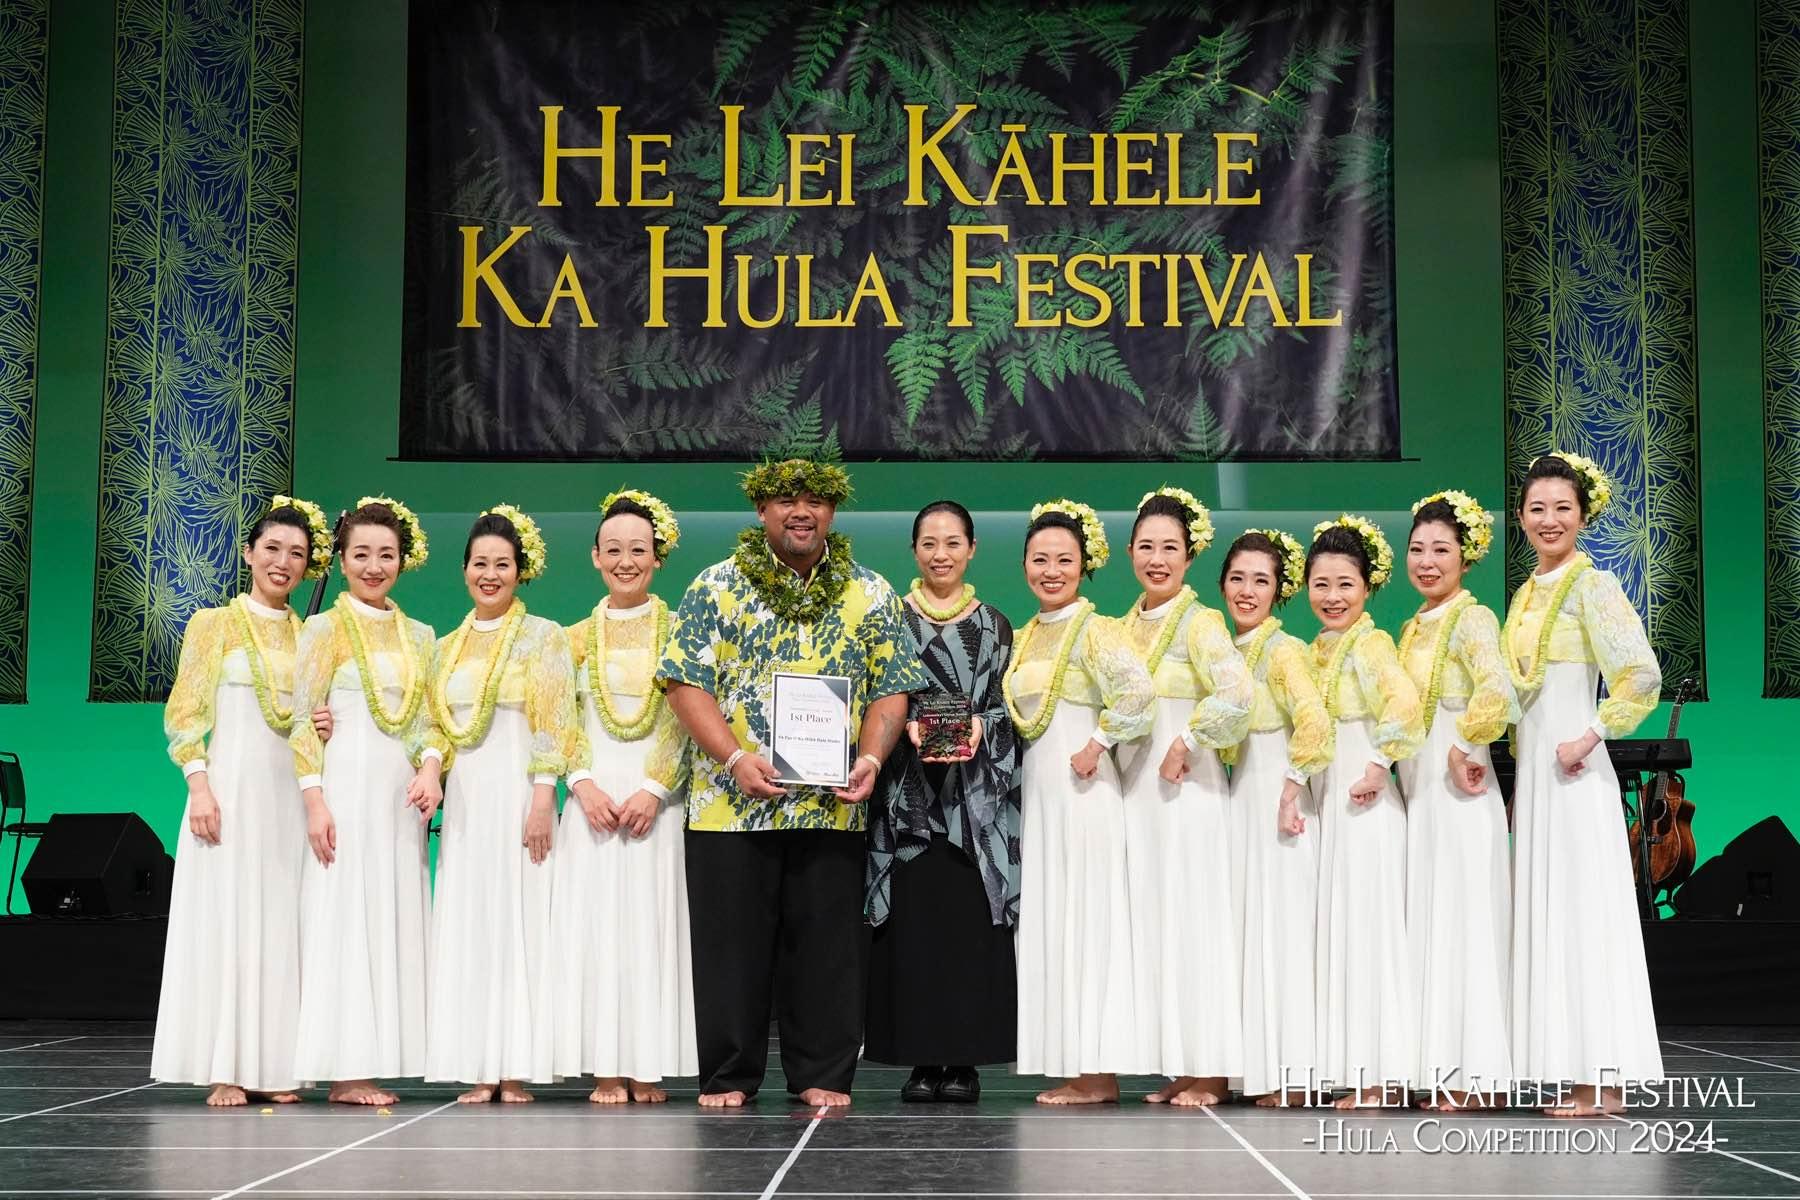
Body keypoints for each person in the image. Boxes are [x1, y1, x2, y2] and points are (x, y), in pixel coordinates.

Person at [658, 459, 928, 1108]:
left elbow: (893, 690)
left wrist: (869, 757)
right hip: (731, 806)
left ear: (832, 512)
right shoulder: (714, 588)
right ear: (761, 510)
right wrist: (731, 759)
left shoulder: (870, 591)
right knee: (731, 950)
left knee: (829, 949)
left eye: (814, 501)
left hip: (832, 806)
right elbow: (683, 683)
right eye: (785, 501)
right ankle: (728, 1076)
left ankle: (823, 1074)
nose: (800, 511)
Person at [152, 496, 332, 1106]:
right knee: (229, 922)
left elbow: (305, 718)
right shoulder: (213, 625)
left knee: (283, 923)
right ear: (249, 552)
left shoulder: (312, 635)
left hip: (290, 796)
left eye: (297, 554)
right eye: (273, 549)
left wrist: (325, 723)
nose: (283, 562)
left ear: (309, 567)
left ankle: (276, 1067)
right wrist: (199, 785)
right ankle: (226, 1066)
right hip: (228, 792)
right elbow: (185, 714)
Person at [1505, 452, 1663, 1117]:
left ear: (1582, 514)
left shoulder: (1593, 586)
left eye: (1561, 508)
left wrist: (1590, 735)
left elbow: (1640, 674)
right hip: (1540, 773)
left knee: (1587, 916)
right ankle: (1579, 1076)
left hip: (1574, 768)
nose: (1549, 520)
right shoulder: (1525, 592)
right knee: (1556, 915)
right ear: (1520, 517)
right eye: (1537, 508)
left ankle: (1606, 1080)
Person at [865, 501, 1022, 1104]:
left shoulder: (996, 626)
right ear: (913, 551)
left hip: (971, 805)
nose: (940, 554)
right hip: (904, 797)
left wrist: (984, 725)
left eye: (952, 543)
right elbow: (872, 696)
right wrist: (892, 723)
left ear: (973, 549)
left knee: (966, 928)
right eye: (929, 543)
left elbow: (1009, 709)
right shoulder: (887, 620)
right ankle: (919, 1059)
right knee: (914, 928)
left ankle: (964, 1061)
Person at [289, 497, 443, 1106]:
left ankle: (383, 1056)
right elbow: (303, 719)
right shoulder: (322, 628)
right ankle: (344, 1069)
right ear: (343, 561)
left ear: (403, 561)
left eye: (386, 555)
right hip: (345, 793)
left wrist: (431, 768)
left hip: (400, 799)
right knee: (343, 915)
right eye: (362, 555)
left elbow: (431, 718)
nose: (374, 566)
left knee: (392, 913)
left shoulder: (421, 635)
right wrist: (315, 801)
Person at [424, 505, 580, 1103]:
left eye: (503, 565)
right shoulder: (445, 648)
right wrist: (433, 769)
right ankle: (478, 1065)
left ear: (521, 572)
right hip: (466, 803)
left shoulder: (543, 636)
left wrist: (544, 797)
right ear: (464, 570)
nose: (490, 574)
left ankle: (516, 1065)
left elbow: (554, 721)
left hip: (521, 793)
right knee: (472, 923)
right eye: (480, 564)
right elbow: (434, 724)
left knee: (523, 920)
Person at [1005, 499, 1154, 1105]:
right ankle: (1074, 1061)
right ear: (1023, 565)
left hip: (1084, 791)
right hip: (1040, 793)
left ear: (1084, 565)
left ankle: (1099, 1071)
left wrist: (1097, 743)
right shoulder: (1025, 634)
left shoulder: (1097, 629)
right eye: (1039, 559)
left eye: (1064, 560)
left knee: (1089, 920)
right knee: (1054, 919)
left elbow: (1138, 693)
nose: (1051, 570)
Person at [553, 489, 696, 1103]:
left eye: (638, 549)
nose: (625, 560)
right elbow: (555, 717)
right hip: (591, 802)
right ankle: (603, 1066)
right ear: (594, 557)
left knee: (648, 927)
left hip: (652, 804)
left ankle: (646, 1063)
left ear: (657, 558)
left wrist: (653, 789)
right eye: (613, 549)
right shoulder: (572, 638)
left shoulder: (679, 632)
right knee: (594, 929)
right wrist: (581, 785)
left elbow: (685, 719)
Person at [1114, 489, 1251, 1106]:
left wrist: (1190, 739)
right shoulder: (1121, 625)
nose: (1158, 558)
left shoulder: (1202, 621)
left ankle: (1216, 1068)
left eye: (1171, 547)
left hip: (1186, 787)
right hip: (1138, 790)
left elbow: (1236, 692)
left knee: (1197, 921)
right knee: (1159, 921)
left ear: (1191, 554)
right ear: (1129, 552)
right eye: (1147, 546)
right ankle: (1185, 1060)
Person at [1397, 493, 1518, 1110]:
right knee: (1431, 917)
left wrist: (1464, 744)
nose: (1426, 561)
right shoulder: (1414, 625)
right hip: (1421, 779)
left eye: (1441, 550)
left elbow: (1498, 691)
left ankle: (1479, 1077)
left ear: (1464, 558)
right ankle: (1442, 1066)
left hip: (1460, 777)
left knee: (1466, 918)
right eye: (1417, 548)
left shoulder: (1473, 620)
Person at [1306, 515, 1424, 1108]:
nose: (1332, 597)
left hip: (1365, 798)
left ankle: (1381, 1078)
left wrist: (1379, 765)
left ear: (1368, 587)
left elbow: (1405, 706)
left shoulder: (1373, 644)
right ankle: (1361, 1073)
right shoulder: (1318, 649)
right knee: (1346, 932)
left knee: (1372, 935)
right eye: (1321, 584)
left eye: (1345, 584)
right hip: (1333, 797)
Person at [1217, 529, 1334, 1107]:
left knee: (1283, 931)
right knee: (1248, 928)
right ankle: (1254, 1068)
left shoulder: (1282, 649)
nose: (1246, 590)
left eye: (1261, 580)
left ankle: (1294, 1074)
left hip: (1276, 794)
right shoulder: (1226, 647)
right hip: (1242, 794)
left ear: (1278, 590)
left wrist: (1291, 789)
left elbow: (1314, 723)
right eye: (1237, 578)